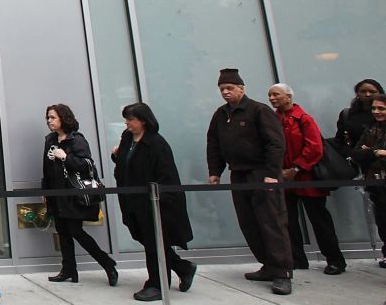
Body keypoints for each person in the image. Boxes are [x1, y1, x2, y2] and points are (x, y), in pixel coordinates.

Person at [206, 68, 292, 296]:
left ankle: (282, 271)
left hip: (261, 172)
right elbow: (213, 143)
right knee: (249, 221)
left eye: (230, 88)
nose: (225, 92)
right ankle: (267, 264)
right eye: (222, 89)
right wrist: (215, 171)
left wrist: (272, 172)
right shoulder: (221, 114)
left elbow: (275, 143)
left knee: (271, 221)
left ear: (241, 88)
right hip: (238, 173)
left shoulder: (259, 110)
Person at [111, 103, 195, 301]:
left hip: (153, 204)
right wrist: (117, 156)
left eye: (130, 120)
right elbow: (126, 161)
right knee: (147, 240)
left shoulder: (157, 144)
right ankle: (183, 267)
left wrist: (159, 200)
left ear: (143, 121)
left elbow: (167, 176)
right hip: (132, 199)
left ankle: (157, 284)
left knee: (153, 243)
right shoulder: (127, 138)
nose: (127, 123)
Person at [267, 83, 346, 275]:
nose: (272, 98)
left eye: (276, 95)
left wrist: (297, 167)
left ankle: (335, 259)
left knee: (319, 220)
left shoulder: (304, 119)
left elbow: (315, 148)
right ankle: (296, 258)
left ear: (288, 96)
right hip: (286, 178)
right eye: (270, 95)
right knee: (289, 221)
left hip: (307, 178)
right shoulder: (274, 119)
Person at [40, 103, 117, 287]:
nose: (49, 121)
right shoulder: (50, 139)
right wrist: (45, 191)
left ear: (63, 119)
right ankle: (68, 270)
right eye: (48, 118)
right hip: (56, 193)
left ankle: (107, 263)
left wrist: (65, 157)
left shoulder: (76, 140)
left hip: (73, 195)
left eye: (53, 117)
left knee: (76, 231)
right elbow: (46, 168)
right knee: (63, 232)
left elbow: (86, 165)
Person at [351, 93, 386, 267]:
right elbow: (357, 154)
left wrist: (371, 152)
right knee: (382, 221)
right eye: (374, 108)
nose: (377, 111)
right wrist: (375, 152)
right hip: (376, 184)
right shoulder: (372, 129)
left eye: (381, 108)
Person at [335, 78, 384, 158]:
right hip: (353, 161)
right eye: (363, 91)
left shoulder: (382, 115)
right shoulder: (347, 115)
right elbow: (340, 140)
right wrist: (350, 155)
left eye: (372, 92)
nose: (367, 94)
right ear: (357, 94)